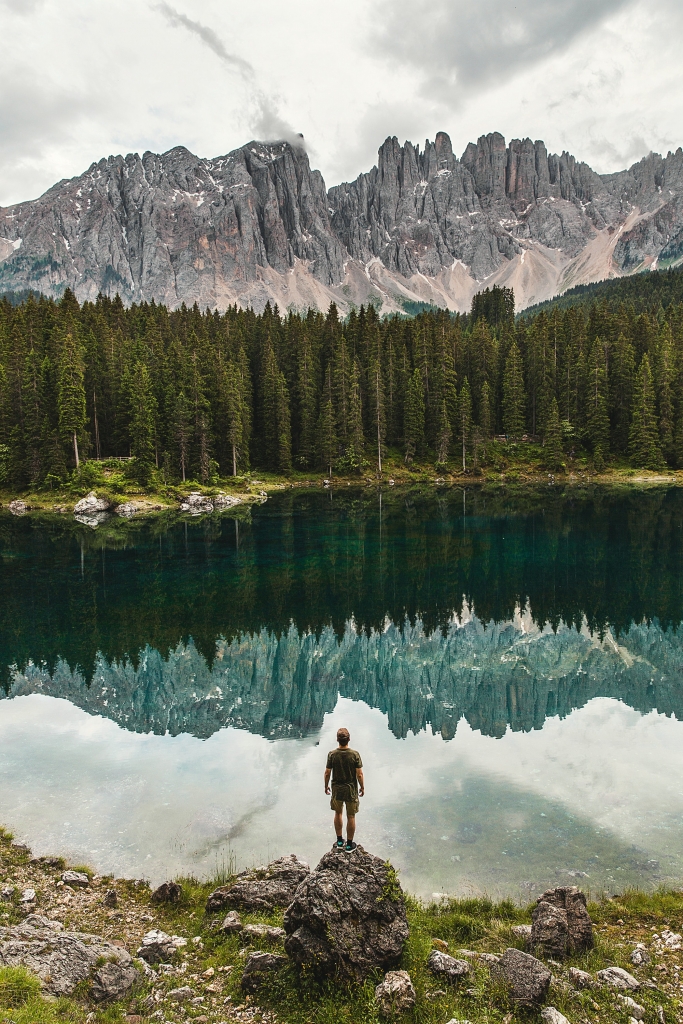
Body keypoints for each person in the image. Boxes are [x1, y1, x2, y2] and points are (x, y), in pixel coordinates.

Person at [324, 727, 364, 851]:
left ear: (337, 740)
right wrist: (362, 787)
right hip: (350, 789)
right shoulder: (354, 754)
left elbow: (327, 772)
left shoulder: (332, 754)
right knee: (351, 816)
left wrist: (326, 786)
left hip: (337, 789)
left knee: (338, 813)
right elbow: (359, 774)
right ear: (349, 739)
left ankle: (340, 841)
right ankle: (349, 844)